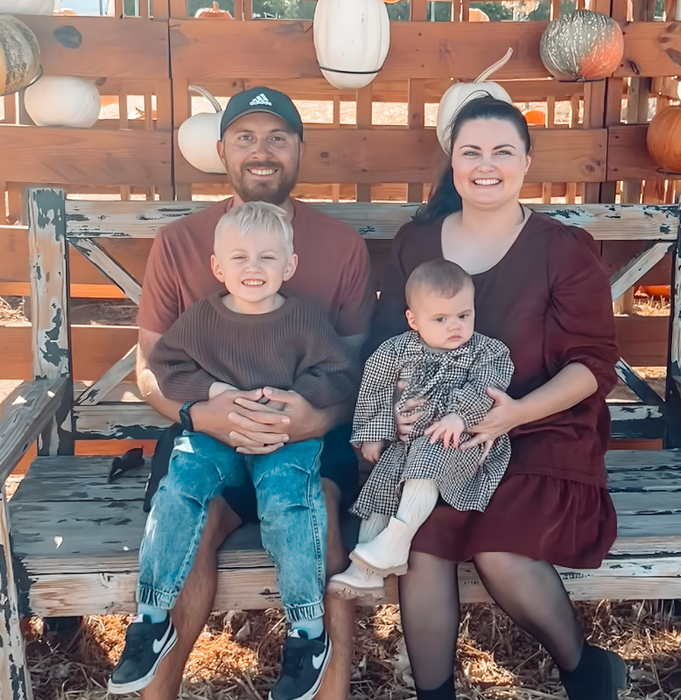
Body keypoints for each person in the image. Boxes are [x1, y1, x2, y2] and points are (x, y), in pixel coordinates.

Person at [366, 96, 627, 700]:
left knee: (500, 552)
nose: (487, 165)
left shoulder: (561, 249)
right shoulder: (417, 243)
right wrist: (398, 407)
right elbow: (386, 346)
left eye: (502, 151)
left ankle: (585, 671)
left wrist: (513, 413)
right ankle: (435, 694)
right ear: (452, 163)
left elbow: (592, 364)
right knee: (423, 545)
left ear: (526, 162)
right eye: (471, 152)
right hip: (441, 436)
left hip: (540, 429)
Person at [132, 86, 373, 700]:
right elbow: (150, 367)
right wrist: (198, 412)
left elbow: (353, 371)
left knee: (316, 504)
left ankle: (322, 679)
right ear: (221, 150)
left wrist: (313, 422)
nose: (261, 152)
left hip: (303, 441)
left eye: (277, 138)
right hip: (205, 433)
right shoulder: (181, 242)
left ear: (298, 150)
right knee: (191, 512)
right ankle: (154, 675)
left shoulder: (341, 247)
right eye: (245, 137)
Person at [109, 202, 356, 698]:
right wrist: (213, 392)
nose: (253, 269)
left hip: (282, 440)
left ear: (288, 267)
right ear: (218, 268)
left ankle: (307, 632)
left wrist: (296, 402)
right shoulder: (202, 319)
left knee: (293, 502)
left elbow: (338, 373)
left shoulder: (303, 320)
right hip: (214, 438)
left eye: (267, 258)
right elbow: (166, 367)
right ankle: (152, 618)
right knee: (178, 490)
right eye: (239, 258)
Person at [328, 259, 513, 599]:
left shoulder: (487, 351)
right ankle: (365, 568)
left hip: (461, 441)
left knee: (429, 450)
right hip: (407, 443)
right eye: (440, 319)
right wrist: (374, 432)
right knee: (381, 485)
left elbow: (488, 384)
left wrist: (460, 415)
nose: (454, 326)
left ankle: (397, 540)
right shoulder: (395, 351)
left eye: (463, 315)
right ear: (413, 320)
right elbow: (375, 389)